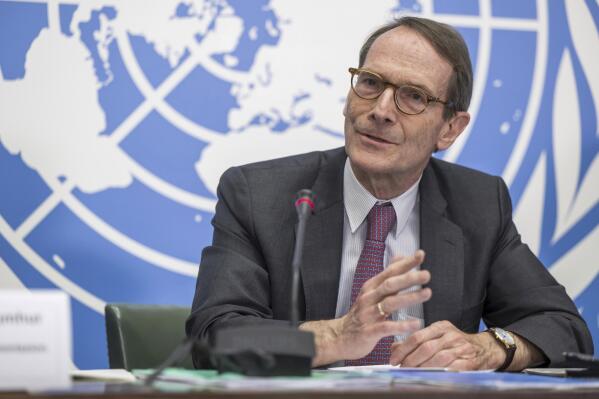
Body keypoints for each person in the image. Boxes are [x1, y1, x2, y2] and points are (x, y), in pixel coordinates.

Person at [186, 16, 593, 370]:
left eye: (413, 96)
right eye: (370, 82)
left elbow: (563, 327)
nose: (380, 109)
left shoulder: (479, 205)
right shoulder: (261, 195)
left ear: (450, 128)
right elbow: (214, 338)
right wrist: (336, 337)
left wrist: (489, 347)